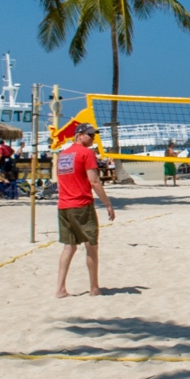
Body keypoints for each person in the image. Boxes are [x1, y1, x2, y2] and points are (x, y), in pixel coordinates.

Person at [55, 125, 115, 297]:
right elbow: (94, 181)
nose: (94, 138)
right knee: (91, 246)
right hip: (81, 205)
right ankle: (94, 288)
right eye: (90, 135)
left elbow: (60, 183)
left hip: (64, 206)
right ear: (79, 136)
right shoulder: (86, 153)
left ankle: (60, 289)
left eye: (94, 135)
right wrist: (108, 204)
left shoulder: (63, 155)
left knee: (69, 247)